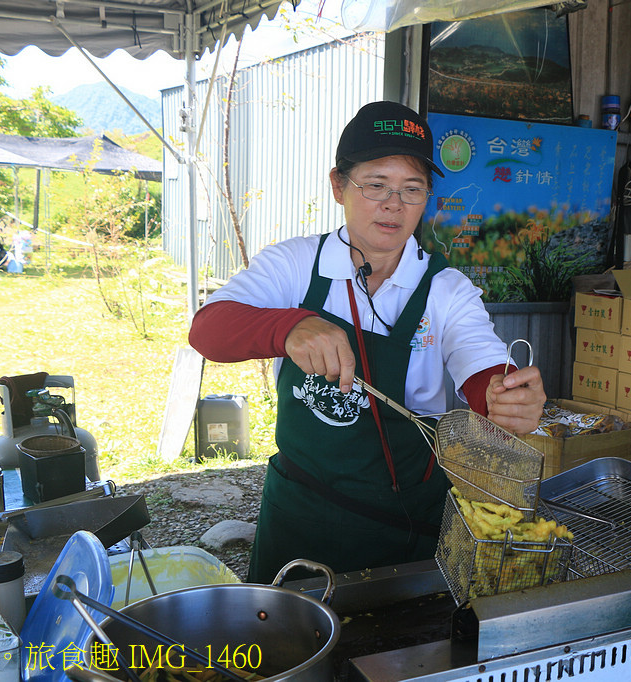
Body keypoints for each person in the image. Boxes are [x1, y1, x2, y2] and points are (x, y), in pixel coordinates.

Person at [189, 100, 546, 583]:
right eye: (375, 185)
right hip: (301, 517)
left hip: (406, 525)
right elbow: (208, 329)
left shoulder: (447, 290)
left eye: (412, 190)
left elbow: (482, 367)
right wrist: (289, 327)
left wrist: (506, 400)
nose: (394, 205)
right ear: (339, 185)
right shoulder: (296, 266)